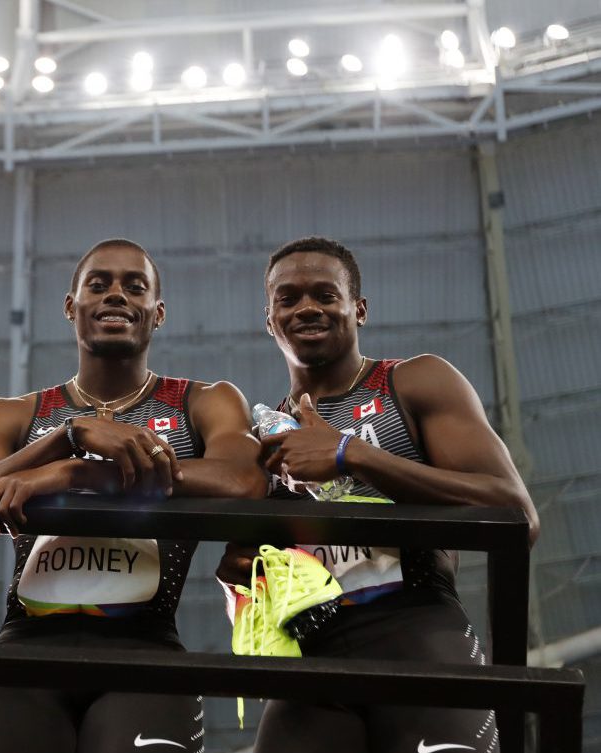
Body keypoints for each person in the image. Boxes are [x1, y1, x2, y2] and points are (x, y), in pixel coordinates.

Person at [0, 239, 264, 753]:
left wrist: (74, 475)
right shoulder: (16, 414)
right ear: (72, 306)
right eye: (99, 284)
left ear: (158, 313)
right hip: (26, 649)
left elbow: (245, 484)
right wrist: (65, 439)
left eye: (135, 287)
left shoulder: (202, 401)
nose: (116, 295)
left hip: (147, 648)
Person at [217, 236, 538, 753]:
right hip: (312, 654)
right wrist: (241, 575)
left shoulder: (413, 382)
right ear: (269, 319)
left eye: (325, 294)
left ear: (358, 309)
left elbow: (517, 514)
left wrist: (352, 454)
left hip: (418, 628)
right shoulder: (262, 439)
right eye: (289, 298)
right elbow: (252, 563)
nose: (307, 308)